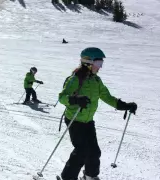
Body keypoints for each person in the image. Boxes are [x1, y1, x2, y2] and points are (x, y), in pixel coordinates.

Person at [58, 47, 137, 180]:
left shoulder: (96, 81)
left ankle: (90, 176)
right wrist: (75, 99)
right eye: (98, 64)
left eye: (101, 64)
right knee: (81, 151)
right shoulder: (75, 79)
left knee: (94, 151)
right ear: (88, 63)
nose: (100, 67)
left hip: (88, 121)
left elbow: (107, 97)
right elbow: (61, 97)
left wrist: (125, 106)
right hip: (75, 120)